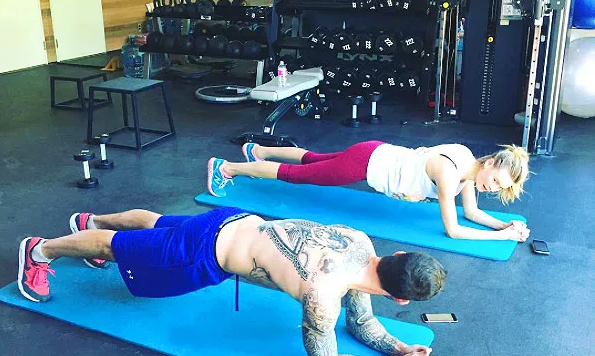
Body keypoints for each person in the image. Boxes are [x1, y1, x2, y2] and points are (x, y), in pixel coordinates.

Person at [18, 208, 445, 356]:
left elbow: (361, 322)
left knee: (156, 223)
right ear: (401, 300)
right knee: (117, 247)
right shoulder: (323, 295)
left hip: (235, 220)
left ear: (397, 256)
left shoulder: (360, 242)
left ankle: (89, 221)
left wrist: (401, 348)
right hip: (205, 253)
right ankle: (40, 250)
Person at [207, 141, 531, 242]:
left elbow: (471, 212)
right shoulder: (450, 174)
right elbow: (454, 230)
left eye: (499, 187)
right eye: (495, 180)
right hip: (366, 164)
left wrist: (504, 225)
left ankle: (258, 150)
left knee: (314, 159)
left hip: (375, 150)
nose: (492, 187)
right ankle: (227, 168)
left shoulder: (468, 164)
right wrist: (502, 238)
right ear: (490, 162)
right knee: (297, 175)